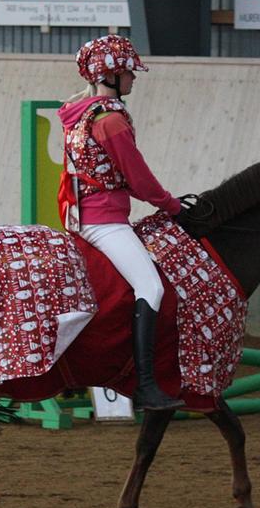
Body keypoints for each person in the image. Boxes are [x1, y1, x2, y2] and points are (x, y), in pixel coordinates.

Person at [57, 35, 184, 411]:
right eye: (128, 71)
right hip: (104, 220)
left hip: (80, 216)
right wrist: (174, 207)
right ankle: (145, 385)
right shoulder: (110, 120)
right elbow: (140, 180)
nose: (133, 78)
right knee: (151, 285)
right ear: (110, 74)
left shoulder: (79, 112)